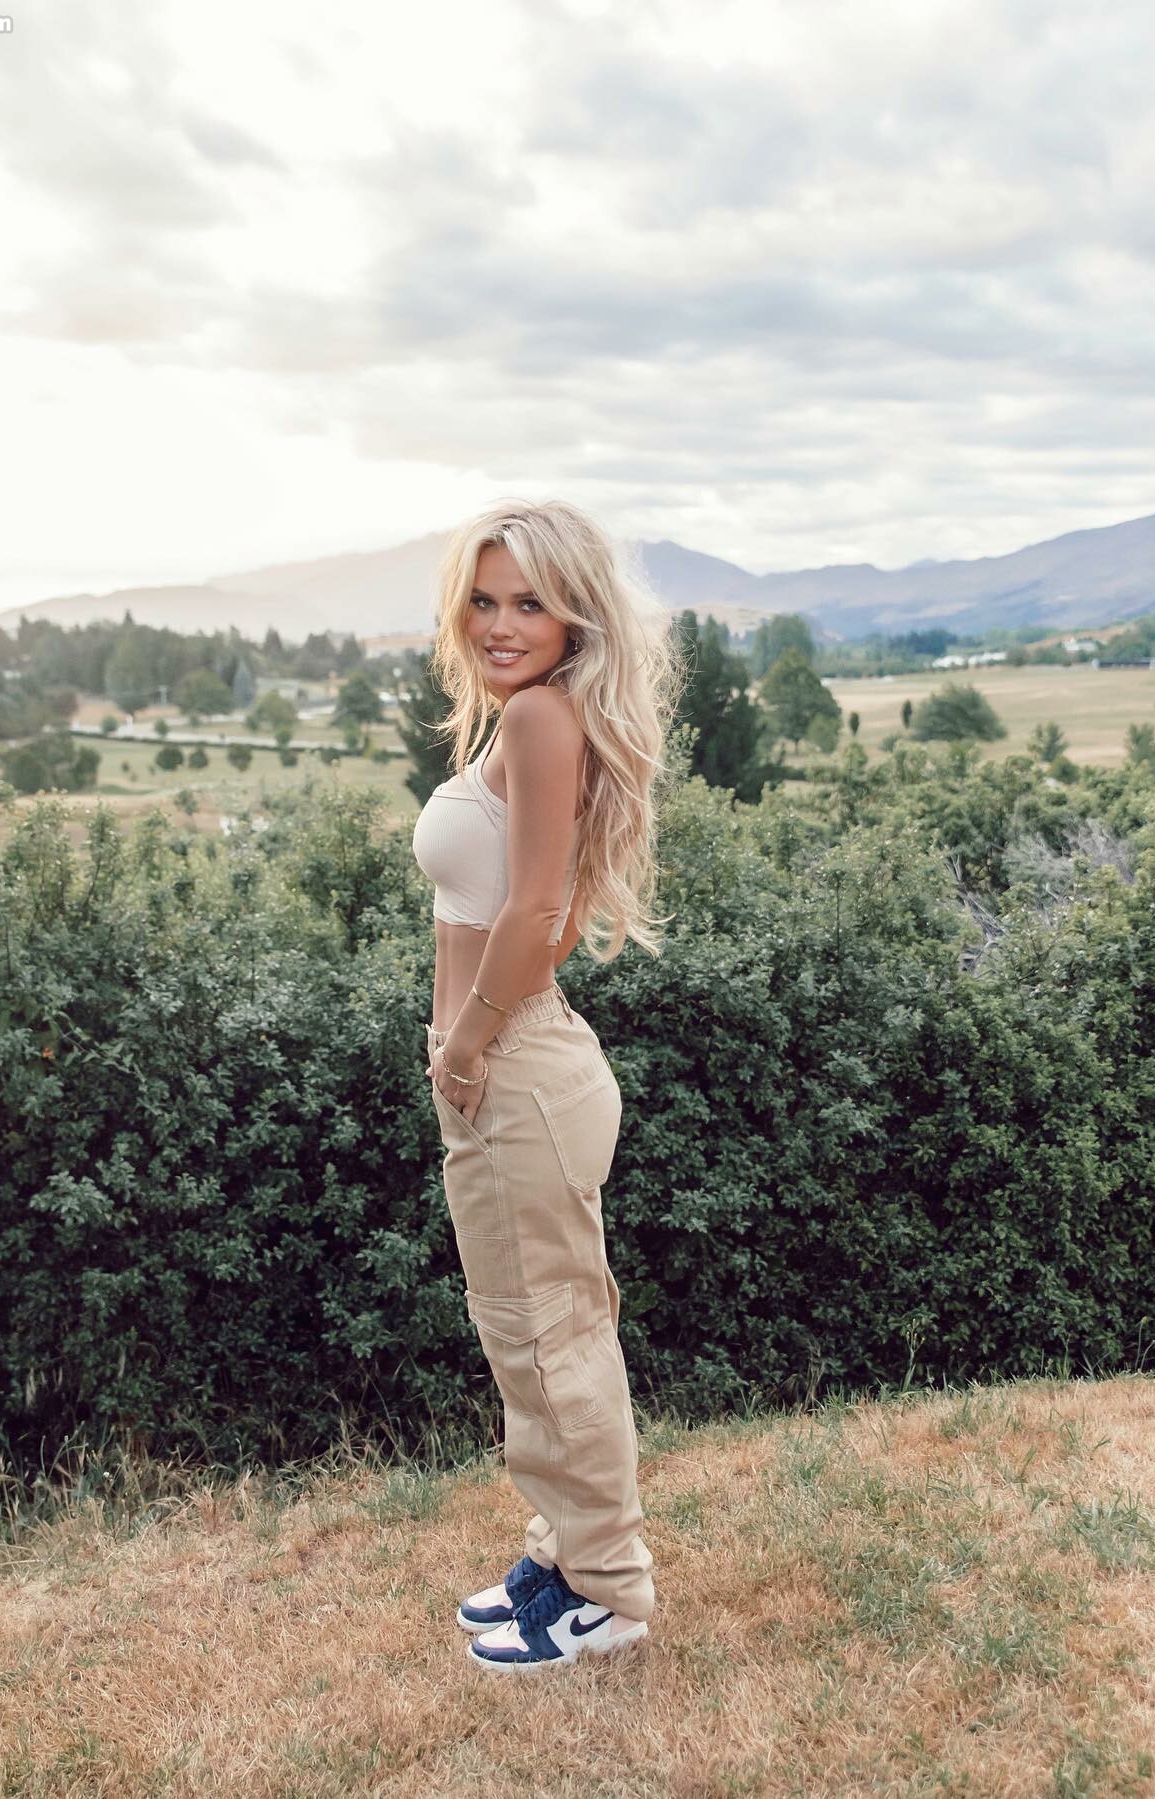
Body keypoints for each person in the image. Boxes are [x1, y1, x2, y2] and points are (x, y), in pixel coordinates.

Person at [410, 497, 683, 1671]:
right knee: (531, 1334)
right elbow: (548, 906)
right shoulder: (538, 715)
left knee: (553, 1338)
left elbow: (534, 914)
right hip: (511, 1064)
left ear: (576, 612)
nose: (500, 622)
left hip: (512, 1068)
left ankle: (608, 1591)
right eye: (483, 599)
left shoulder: (537, 715)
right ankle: (567, 1550)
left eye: (529, 601)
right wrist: (467, 1047)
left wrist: (467, 1043)